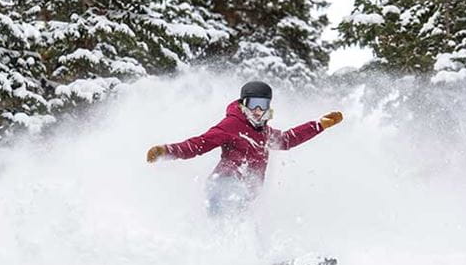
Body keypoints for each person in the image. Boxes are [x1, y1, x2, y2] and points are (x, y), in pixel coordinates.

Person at [146, 81, 343, 216]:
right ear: (243, 104)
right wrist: (166, 150)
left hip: (243, 192)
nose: (258, 110)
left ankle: (250, 260)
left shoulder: (263, 132)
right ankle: (241, 259)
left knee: (241, 225)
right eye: (253, 104)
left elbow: (286, 140)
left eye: (263, 105)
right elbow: (198, 144)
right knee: (237, 220)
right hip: (224, 185)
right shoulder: (232, 124)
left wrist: (319, 125)